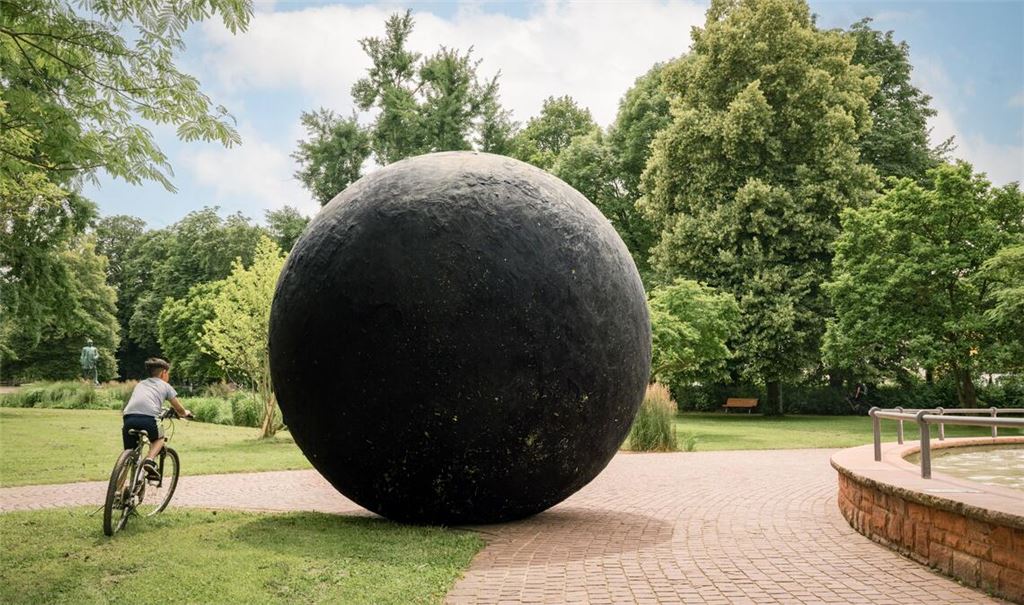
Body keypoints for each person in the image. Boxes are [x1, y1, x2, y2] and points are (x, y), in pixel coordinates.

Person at [122, 358, 191, 481]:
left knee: (129, 458)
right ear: (164, 372)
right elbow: (179, 409)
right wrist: (185, 413)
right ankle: (150, 460)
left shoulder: (140, 384)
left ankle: (118, 491)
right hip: (149, 418)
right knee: (159, 438)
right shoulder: (165, 386)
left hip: (128, 418)